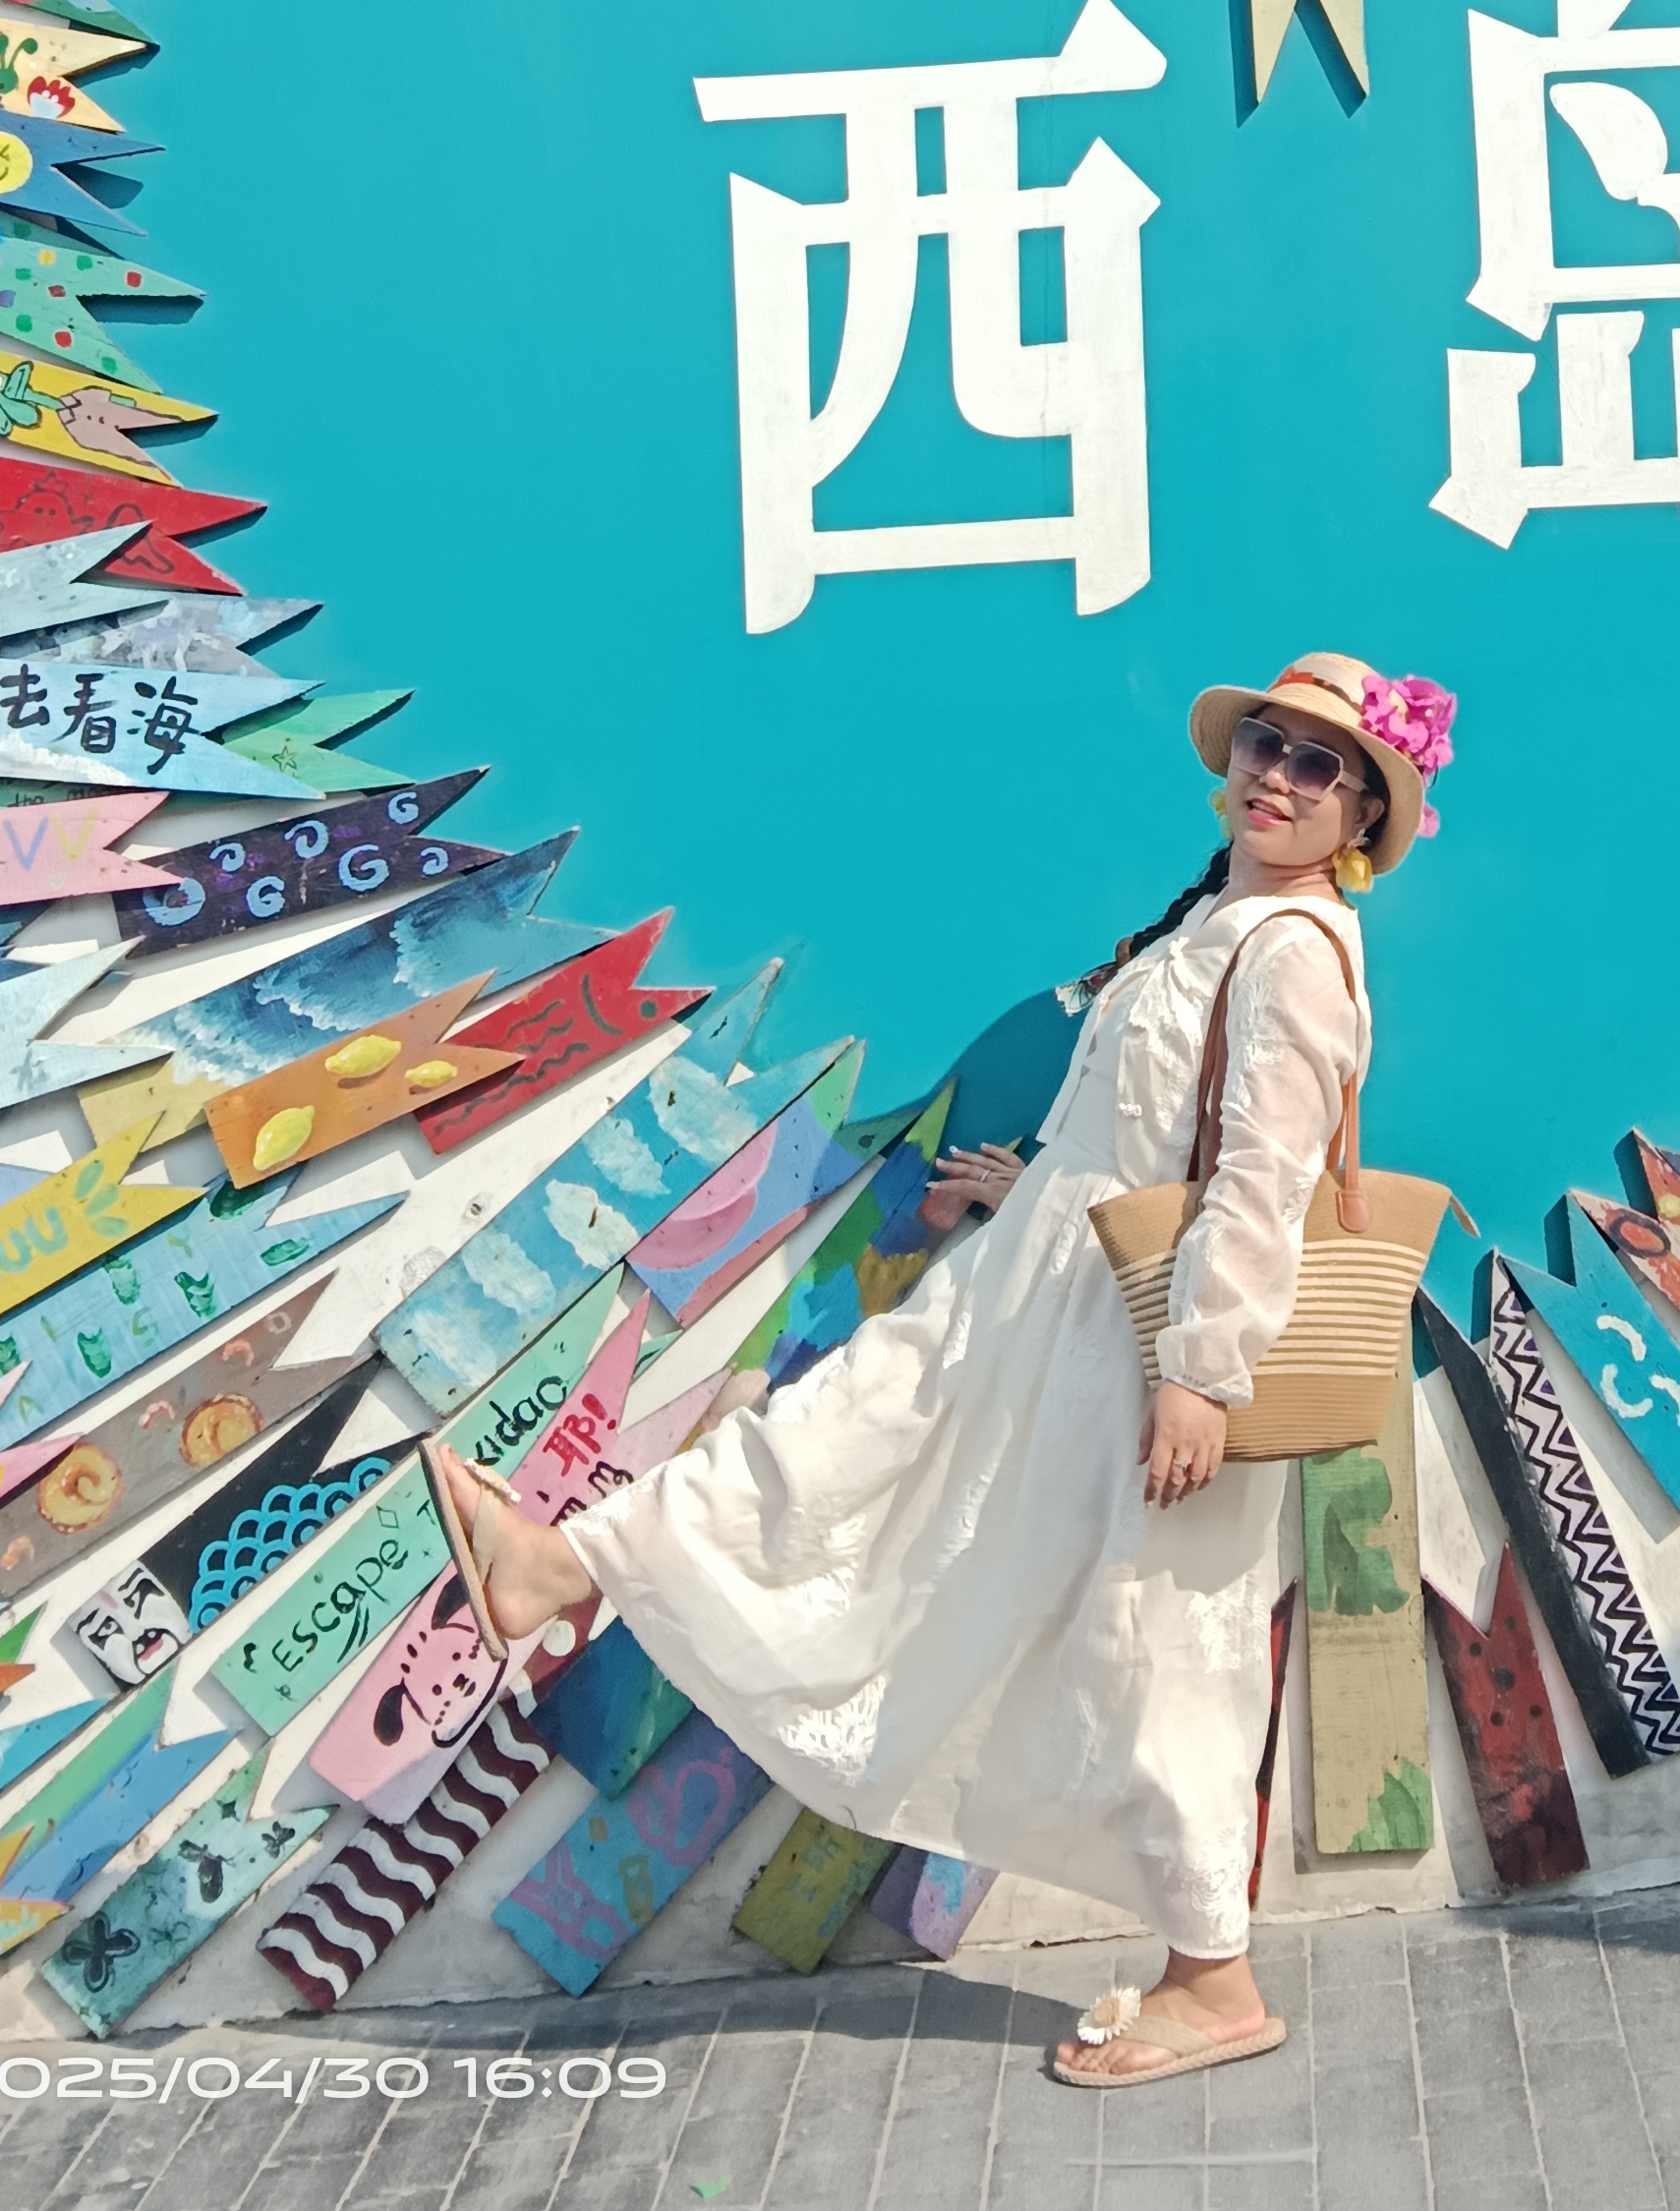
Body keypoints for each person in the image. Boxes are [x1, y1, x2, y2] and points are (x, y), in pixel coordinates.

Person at [427, 647, 1455, 2091]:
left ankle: (1212, 1975)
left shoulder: (1294, 951)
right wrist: (1032, 1199)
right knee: (846, 1426)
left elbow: (1264, 1180)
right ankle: (571, 1563)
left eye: (1318, 764)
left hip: (1146, 1346)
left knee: (1157, 1639)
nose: (1277, 775)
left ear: (1363, 814)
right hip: (1042, 1290)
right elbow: (1141, 1129)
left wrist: (1201, 1373)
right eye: (1266, 744)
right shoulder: (1218, 922)